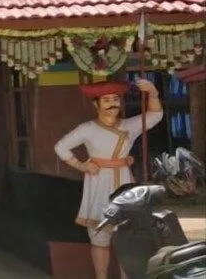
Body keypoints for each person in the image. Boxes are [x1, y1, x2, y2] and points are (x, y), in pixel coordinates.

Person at [54, 78, 163, 279]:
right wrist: (81, 165)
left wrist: (153, 93)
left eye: (115, 99)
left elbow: (155, 115)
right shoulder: (87, 128)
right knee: (99, 238)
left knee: (127, 239)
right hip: (99, 183)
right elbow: (61, 146)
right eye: (106, 100)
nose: (112, 103)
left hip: (124, 182)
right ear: (96, 104)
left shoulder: (129, 125)